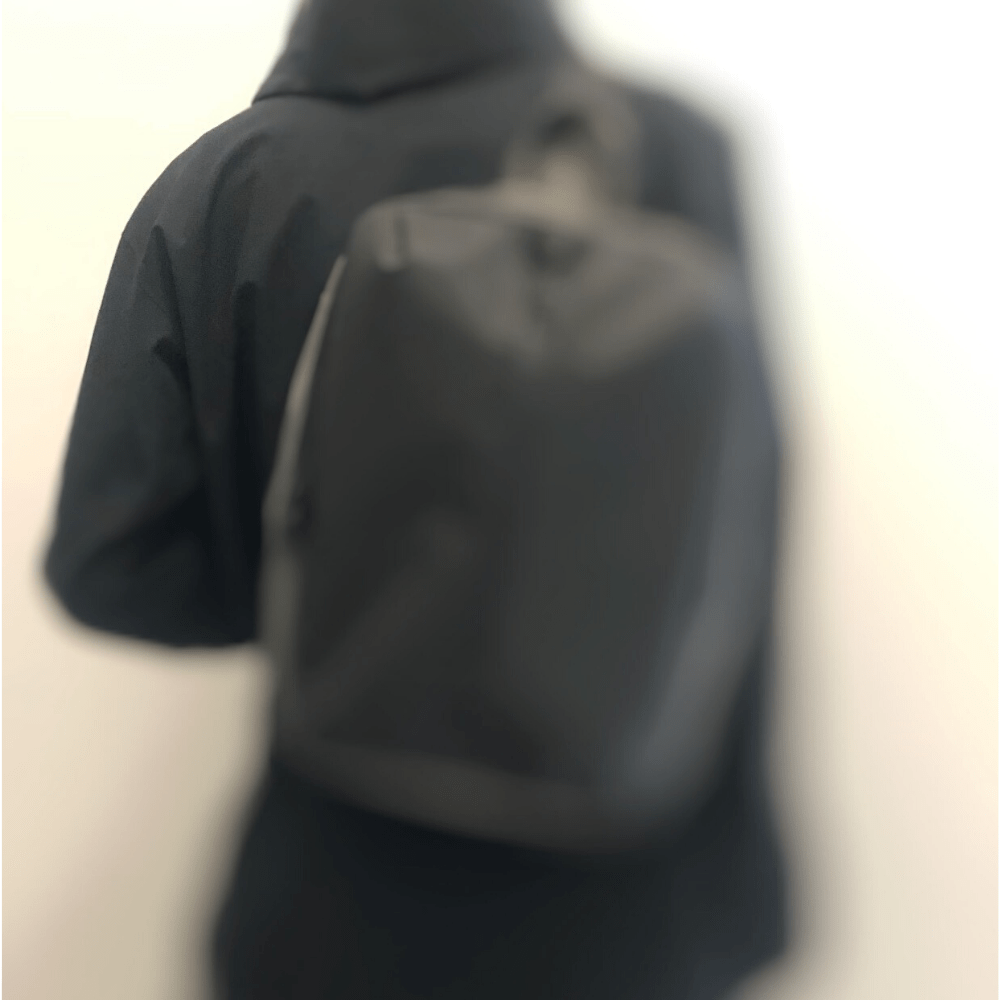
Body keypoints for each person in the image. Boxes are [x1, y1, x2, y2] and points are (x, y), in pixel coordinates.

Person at [44, 1, 787, 997]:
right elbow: (744, 530)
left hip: (332, 900)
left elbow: (111, 570)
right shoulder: (669, 149)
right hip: (625, 907)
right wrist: (746, 897)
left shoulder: (236, 180)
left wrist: (332, 583)